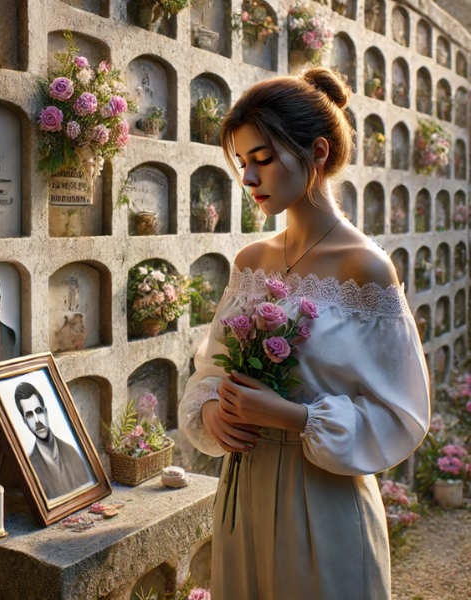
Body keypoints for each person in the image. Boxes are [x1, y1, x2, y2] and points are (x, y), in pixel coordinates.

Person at [178, 67, 430, 599]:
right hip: (242, 496)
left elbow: (401, 412)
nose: (248, 179)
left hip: (325, 501)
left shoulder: (368, 269)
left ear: (316, 152)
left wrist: (293, 417)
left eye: (263, 160)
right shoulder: (251, 261)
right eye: (242, 163)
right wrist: (210, 412)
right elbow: (211, 370)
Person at [14, 381, 92, 500]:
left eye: (39, 411)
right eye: (30, 415)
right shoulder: (30, 468)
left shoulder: (72, 452)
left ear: (46, 412)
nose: (37, 421)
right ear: (25, 421)